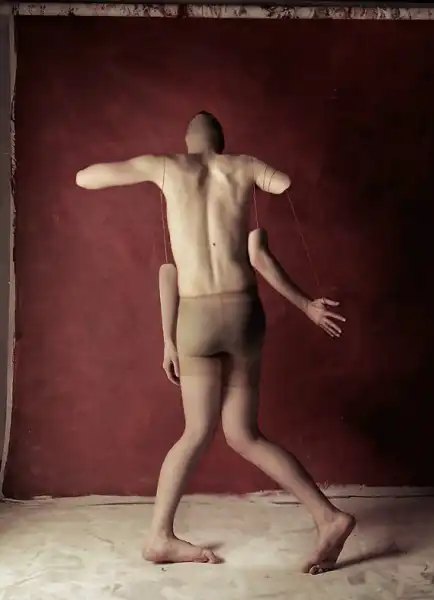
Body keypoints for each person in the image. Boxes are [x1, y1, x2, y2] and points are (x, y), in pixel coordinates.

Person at [76, 111, 355, 574]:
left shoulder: (167, 166)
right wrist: (307, 305)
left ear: (189, 140)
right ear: (221, 142)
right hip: (244, 314)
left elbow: (86, 178)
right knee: (244, 434)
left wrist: (168, 340)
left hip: (198, 317)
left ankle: (159, 536)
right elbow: (280, 192)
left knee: (195, 432)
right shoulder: (242, 166)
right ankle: (328, 517)